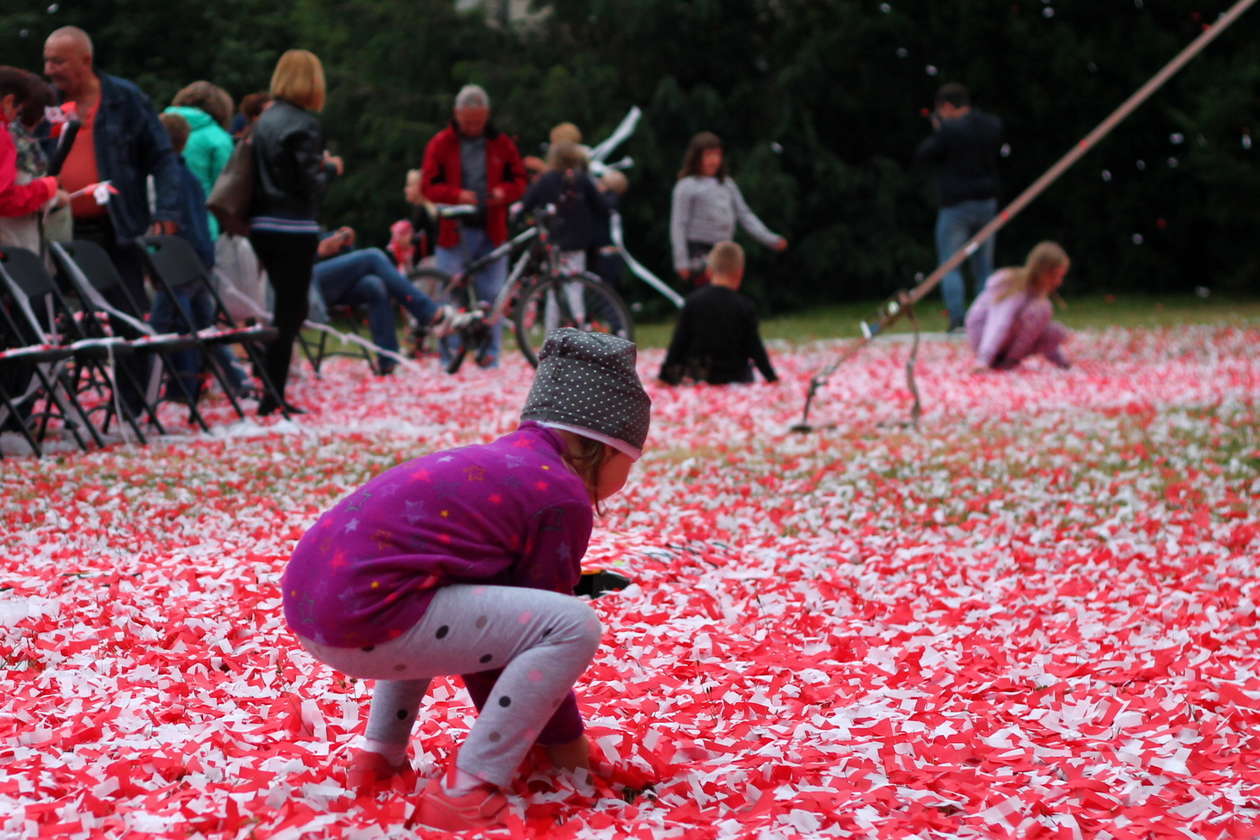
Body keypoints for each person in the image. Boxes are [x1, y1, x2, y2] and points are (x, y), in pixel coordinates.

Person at [281, 328, 651, 832]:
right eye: (632, 459)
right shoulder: (559, 495)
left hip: (311, 605)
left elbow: (496, 622)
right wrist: (565, 752)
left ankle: (379, 760)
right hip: (367, 618)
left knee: (432, 591)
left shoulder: (505, 464)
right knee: (574, 626)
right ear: (606, 449)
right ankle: (469, 788)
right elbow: (523, 639)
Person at [43, 26, 182, 414]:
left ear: (85, 61)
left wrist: (167, 211)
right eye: (46, 61)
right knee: (37, 315)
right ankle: (23, 412)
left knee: (130, 318)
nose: (49, 70)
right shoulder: (44, 102)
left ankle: (132, 408)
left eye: (58, 61)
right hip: (56, 230)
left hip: (116, 227)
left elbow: (163, 157)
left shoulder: (125, 98)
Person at [249, 49, 342, 416]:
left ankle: (270, 390)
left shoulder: (265, 121)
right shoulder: (304, 124)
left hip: (262, 225)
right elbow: (309, 184)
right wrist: (331, 169)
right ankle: (272, 395)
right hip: (294, 225)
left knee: (281, 311)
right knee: (291, 311)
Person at [418, 84, 527, 369]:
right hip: (454, 231)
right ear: (457, 115)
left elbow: (520, 180)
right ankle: (449, 355)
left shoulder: (502, 143)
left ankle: (489, 355)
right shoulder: (441, 143)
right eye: (467, 122)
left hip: (493, 229)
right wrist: (456, 195)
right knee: (450, 293)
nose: (473, 127)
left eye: (478, 122)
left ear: (487, 115)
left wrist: (504, 191)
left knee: (492, 295)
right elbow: (427, 185)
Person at [149, 112, 251, 401]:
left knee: (168, 325)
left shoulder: (167, 176)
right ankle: (235, 379)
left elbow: (168, 219)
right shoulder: (189, 176)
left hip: (179, 258)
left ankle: (181, 387)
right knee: (203, 325)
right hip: (200, 252)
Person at [311, 225, 469, 374]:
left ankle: (388, 362)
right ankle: (433, 315)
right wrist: (318, 251)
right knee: (372, 257)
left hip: (318, 279)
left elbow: (312, 240)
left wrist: (337, 239)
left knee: (375, 285)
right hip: (303, 286)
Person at [914, 82, 1004, 332]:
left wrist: (938, 130)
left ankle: (957, 319)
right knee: (984, 266)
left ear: (947, 107)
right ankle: (984, 318)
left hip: (956, 204)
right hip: (987, 201)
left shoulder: (949, 130)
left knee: (950, 264)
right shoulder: (991, 125)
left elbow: (924, 155)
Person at [669, 131, 786, 288]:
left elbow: (745, 215)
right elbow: (678, 224)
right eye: (708, 155)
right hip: (699, 252)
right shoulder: (686, 186)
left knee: (727, 293)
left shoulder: (727, 184)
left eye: (717, 155)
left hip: (725, 250)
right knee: (708, 296)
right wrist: (681, 261)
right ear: (697, 157)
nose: (714, 160)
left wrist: (770, 239)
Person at [659, 241, 778, 386]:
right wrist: (772, 378)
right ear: (740, 273)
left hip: (700, 378)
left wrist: (664, 377)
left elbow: (679, 343)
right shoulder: (744, 306)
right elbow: (755, 347)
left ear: (709, 271)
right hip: (737, 378)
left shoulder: (692, 302)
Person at [965, 241, 1071, 370]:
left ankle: (1007, 360)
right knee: (1042, 310)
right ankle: (1008, 361)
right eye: (1056, 276)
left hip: (1002, 341)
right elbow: (999, 321)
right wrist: (984, 359)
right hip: (983, 334)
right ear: (1044, 272)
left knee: (1056, 331)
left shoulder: (1037, 293)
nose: (1059, 282)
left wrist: (1061, 362)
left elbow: (1038, 330)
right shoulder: (1014, 286)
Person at [0, 67, 66, 254]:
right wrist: (46, 188)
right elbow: (4, 199)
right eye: (18, 111)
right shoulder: (3, 136)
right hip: (11, 250)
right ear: (9, 101)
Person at [164, 81, 235, 240]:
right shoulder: (217, 138)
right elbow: (226, 190)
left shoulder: (158, 127)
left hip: (160, 221)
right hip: (202, 224)